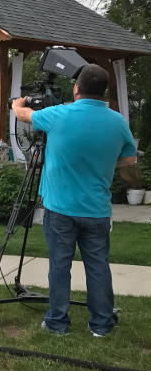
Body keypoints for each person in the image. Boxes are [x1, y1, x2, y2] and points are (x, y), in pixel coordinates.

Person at [12, 64, 136, 337]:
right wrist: (100, 163)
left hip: (60, 209)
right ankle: (101, 325)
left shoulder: (59, 114)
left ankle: (57, 323)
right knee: (98, 267)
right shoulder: (118, 121)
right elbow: (129, 158)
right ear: (103, 92)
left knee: (59, 266)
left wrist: (17, 103)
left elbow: (23, 115)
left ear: (76, 88)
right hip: (97, 210)